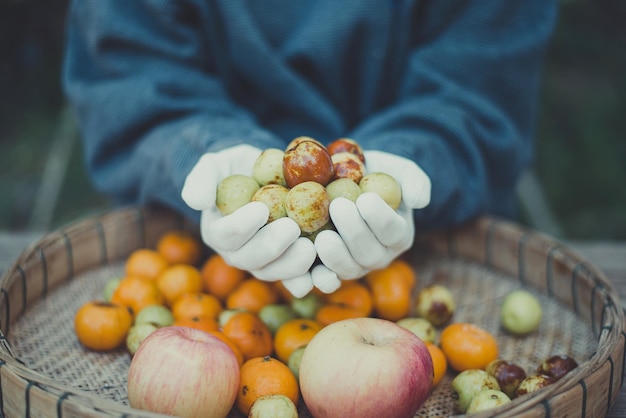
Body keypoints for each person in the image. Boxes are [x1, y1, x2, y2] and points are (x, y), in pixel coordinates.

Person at [62, 0, 557, 297]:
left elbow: (481, 82)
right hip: (192, 258)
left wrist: (418, 153)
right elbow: (129, 71)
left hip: (438, 257)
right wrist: (197, 147)